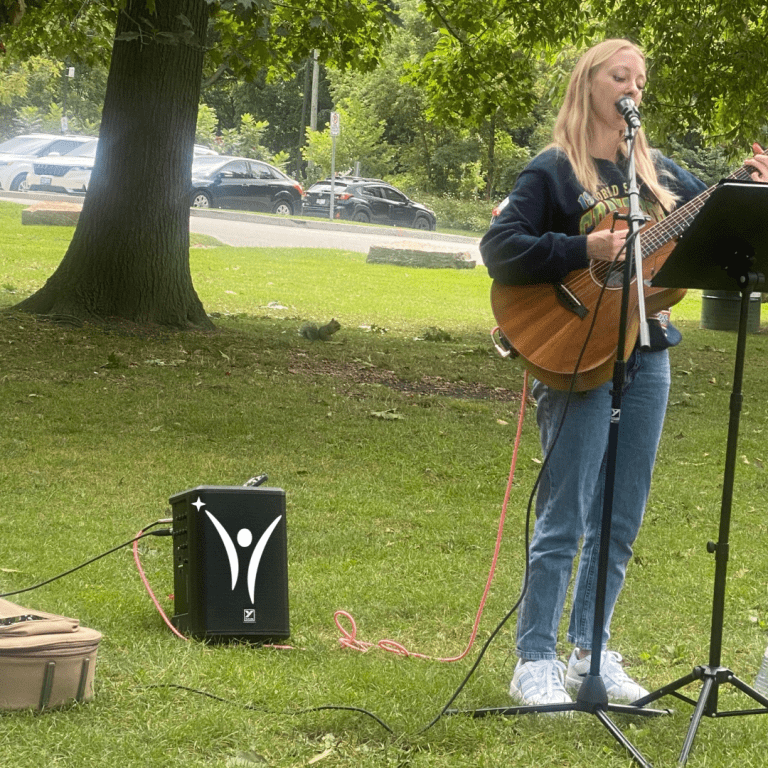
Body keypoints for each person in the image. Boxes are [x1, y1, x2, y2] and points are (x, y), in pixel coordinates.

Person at [480, 38, 768, 708]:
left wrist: (750, 189)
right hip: (574, 348)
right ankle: (535, 659)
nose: (633, 87)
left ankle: (593, 654)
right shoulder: (556, 169)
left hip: (649, 350)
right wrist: (585, 245)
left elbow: (714, 223)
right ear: (589, 83)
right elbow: (501, 248)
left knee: (621, 516)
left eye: (640, 78)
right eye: (620, 75)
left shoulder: (659, 172)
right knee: (566, 513)